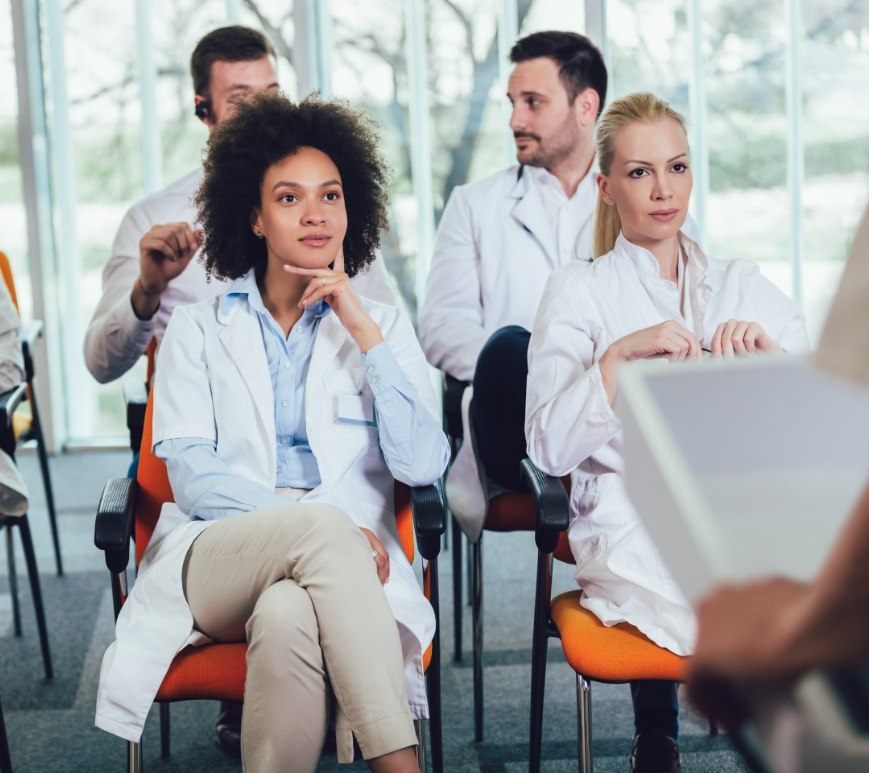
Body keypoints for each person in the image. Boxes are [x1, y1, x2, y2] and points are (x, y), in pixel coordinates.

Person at [94, 92, 450, 772]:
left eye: (330, 195)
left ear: (353, 208)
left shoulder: (379, 326)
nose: (315, 214)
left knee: (288, 612)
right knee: (318, 532)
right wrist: (321, 526)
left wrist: (364, 332)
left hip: (339, 567)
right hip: (216, 555)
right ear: (253, 216)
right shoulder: (197, 328)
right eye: (288, 198)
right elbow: (195, 477)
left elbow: (422, 463)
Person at [524, 92, 809, 772]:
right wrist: (616, 360)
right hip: (631, 513)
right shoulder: (579, 291)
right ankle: (691, 725)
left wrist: (771, 361)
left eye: (676, 168)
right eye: (639, 172)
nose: (662, 189)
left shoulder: (741, 285)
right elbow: (545, 445)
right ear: (605, 187)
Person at [421, 31, 699, 539]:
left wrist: (596, 371)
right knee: (509, 348)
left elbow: (681, 313)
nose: (514, 120)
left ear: (585, 106)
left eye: (533, 102)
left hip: (622, 413)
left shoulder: (649, 203)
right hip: (515, 413)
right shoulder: (473, 205)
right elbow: (441, 328)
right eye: (512, 103)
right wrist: (556, 361)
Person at [83, 24, 402, 386]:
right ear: (204, 110)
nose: (262, 112)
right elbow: (100, 364)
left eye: (271, 94)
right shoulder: (152, 219)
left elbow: (391, 338)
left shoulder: (328, 215)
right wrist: (147, 290)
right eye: (240, 98)